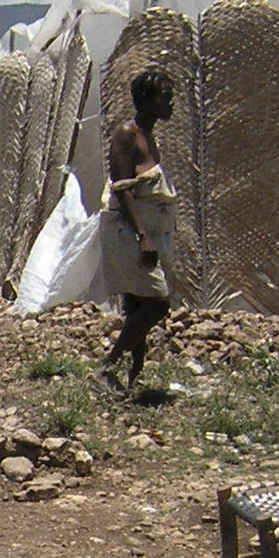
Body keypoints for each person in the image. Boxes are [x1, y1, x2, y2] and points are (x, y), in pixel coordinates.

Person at [100, 66, 177, 394]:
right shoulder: (127, 134)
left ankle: (134, 374)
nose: (170, 102)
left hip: (144, 232)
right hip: (129, 233)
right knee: (157, 303)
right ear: (145, 99)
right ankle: (108, 367)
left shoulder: (148, 135)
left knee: (136, 304)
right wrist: (143, 236)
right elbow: (123, 188)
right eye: (164, 96)